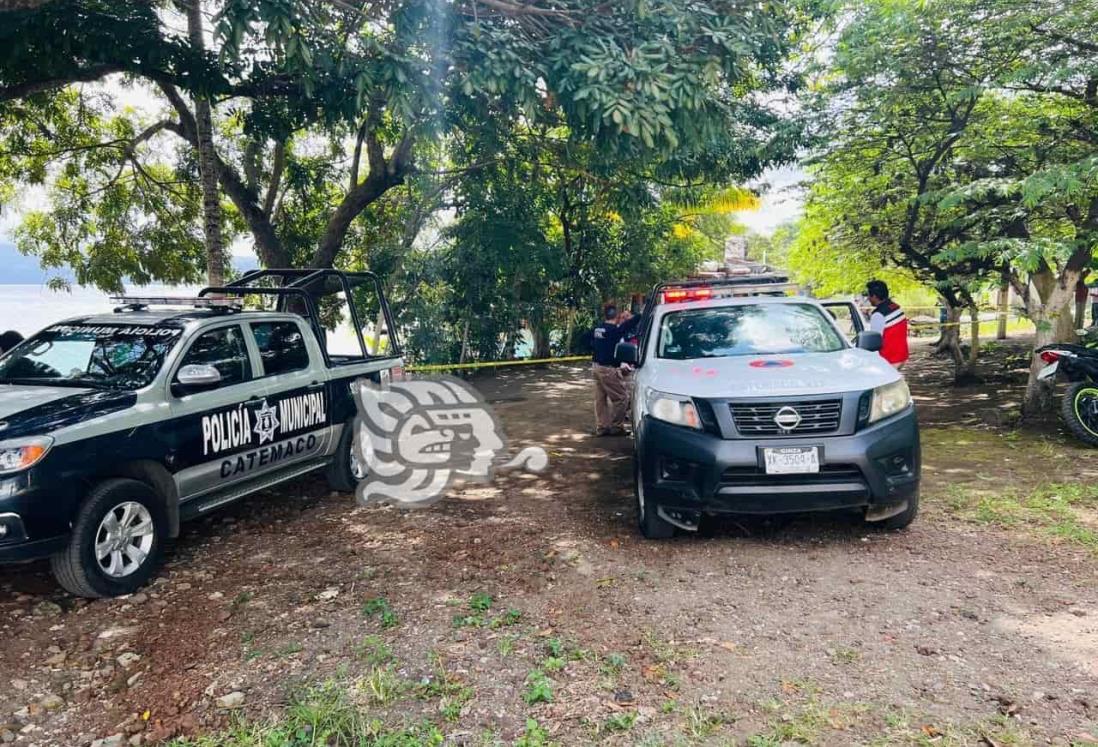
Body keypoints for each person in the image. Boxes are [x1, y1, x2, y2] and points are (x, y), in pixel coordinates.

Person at [591, 305, 640, 436]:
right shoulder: (613, 330)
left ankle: (602, 427)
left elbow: (585, 339)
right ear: (616, 316)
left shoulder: (598, 329)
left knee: (600, 399)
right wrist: (641, 314)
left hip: (596, 367)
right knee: (622, 398)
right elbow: (628, 325)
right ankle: (616, 427)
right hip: (607, 369)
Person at [866, 280, 909, 368]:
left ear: (874, 296)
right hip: (902, 356)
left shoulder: (878, 314)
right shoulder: (895, 307)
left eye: (868, 295)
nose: (868, 298)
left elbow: (875, 342)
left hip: (889, 360)